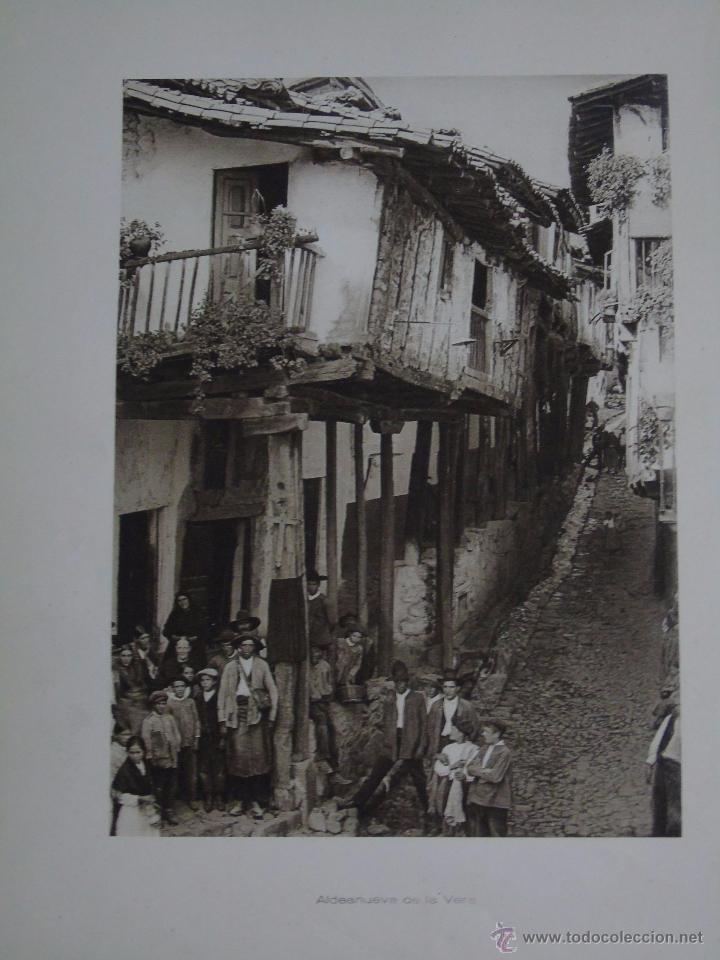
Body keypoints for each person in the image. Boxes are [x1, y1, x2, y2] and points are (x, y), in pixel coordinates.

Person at [337, 661, 429, 824]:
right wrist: (387, 739)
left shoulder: (417, 698)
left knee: (419, 779)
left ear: (407, 682)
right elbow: (386, 722)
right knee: (376, 774)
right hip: (392, 742)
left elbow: (424, 724)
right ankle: (357, 803)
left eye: (403, 682)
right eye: (397, 682)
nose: (400, 685)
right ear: (394, 682)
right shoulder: (390, 699)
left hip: (411, 742)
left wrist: (421, 747)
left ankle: (430, 812)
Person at [218, 633, 278, 820]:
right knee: (238, 760)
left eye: (250, 645)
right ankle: (239, 801)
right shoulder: (230, 667)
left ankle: (256, 802)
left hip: (256, 717)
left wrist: (273, 715)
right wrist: (222, 720)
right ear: (238, 647)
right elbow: (222, 694)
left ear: (255, 647)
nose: (247, 648)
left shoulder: (262, 665)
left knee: (258, 760)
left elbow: (273, 690)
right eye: (243, 645)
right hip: (236, 715)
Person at [427, 715, 480, 836]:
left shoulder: (473, 749)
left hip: (465, 786)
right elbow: (439, 769)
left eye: (453, 729)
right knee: (446, 809)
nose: (450, 731)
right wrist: (452, 766)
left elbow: (474, 767)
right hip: (447, 784)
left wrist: (465, 775)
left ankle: (465, 835)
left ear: (461, 733)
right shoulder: (448, 748)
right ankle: (447, 834)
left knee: (465, 811)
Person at [465, 719, 513, 836]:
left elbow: (495, 776)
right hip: (479, 799)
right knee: (480, 834)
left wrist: (479, 771)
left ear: (496, 734)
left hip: (496, 801)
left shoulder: (505, 752)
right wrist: (485, 771)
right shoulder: (483, 748)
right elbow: (470, 768)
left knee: (497, 834)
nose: (483, 734)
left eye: (486, 732)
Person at [141, 690, 181, 825]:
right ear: (153, 705)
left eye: (164, 703)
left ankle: (169, 810)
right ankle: (159, 811)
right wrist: (151, 756)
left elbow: (176, 735)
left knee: (171, 785)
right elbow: (147, 740)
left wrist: (176, 747)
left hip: (172, 757)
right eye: (159, 704)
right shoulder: (149, 721)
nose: (162, 706)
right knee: (159, 786)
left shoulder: (170, 718)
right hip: (159, 759)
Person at [309, 645, 345, 783]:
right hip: (308, 704)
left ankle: (335, 770)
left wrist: (325, 695)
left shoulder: (325, 666)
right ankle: (322, 758)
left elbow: (328, 687)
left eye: (318, 651)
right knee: (321, 720)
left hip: (320, 701)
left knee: (332, 728)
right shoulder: (305, 667)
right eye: (314, 651)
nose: (316, 654)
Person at [111, 736, 161, 837]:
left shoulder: (147, 765)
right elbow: (119, 796)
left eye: (138, 752)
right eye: (131, 753)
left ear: (144, 751)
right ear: (127, 752)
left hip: (147, 809)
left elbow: (152, 785)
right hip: (131, 811)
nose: (135, 756)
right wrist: (139, 798)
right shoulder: (125, 770)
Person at [647, 702, 681, 836]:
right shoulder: (672, 717)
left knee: (675, 811)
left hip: (677, 767)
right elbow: (659, 738)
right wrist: (650, 762)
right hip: (662, 763)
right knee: (659, 806)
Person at [167, 677, 201, 811]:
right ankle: (174, 801)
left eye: (182, 686)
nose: (179, 689)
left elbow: (196, 720)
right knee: (175, 773)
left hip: (190, 742)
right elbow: (168, 724)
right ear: (173, 688)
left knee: (191, 773)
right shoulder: (169, 704)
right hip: (176, 745)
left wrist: (196, 737)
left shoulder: (190, 702)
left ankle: (192, 798)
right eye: (177, 686)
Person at [194, 668, 226, 812]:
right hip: (203, 738)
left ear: (214, 682)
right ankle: (208, 796)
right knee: (204, 769)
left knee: (219, 769)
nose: (205, 683)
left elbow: (223, 717)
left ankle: (219, 796)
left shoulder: (219, 697)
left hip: (217, 736)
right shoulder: (198, 698)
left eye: (208, 680)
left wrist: (223, 736)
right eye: (202, 680)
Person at [427, 671, 479, 758]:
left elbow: (475, 727)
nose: (448, 690)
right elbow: (430, 728)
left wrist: (466, 744)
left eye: (451, 687)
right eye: (445, 687)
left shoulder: (466, 706)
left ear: (457, 688)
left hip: (458, 743)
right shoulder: (436, 705)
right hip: (440, 741)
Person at [112, 644, 151, 734]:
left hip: (140, 700)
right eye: (123, 656)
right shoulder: (116, 670)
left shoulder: (137, 667)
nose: (126, 658)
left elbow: (144, 684)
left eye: (129, 656)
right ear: (119, 656)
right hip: (125, 703)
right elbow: (117, 692)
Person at [162, 592, 206, 663]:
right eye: (179, 600)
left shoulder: (198, 613)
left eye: (184, 599)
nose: (182, 602)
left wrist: (195, 637)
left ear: (189, 600)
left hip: (194, 645)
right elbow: (166, 631)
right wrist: (176, 638)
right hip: (177, 645)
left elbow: (204, 630)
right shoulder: (175, 614)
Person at [335, 624, 375, 689]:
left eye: (359, 637)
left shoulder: (359, 649)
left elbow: (357, 664)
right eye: (354, 636)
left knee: (344, 687)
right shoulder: (340, 642)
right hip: (337, 668)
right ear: (350, 634)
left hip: (348, 671)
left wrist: (352, 673)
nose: (356, 638)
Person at [306, 570, 333, 651]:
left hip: (321, 640)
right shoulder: (304, 600)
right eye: (309, 584)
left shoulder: (324, 600)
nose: (311, 587)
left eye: (314, 584)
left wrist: (324, 632)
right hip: (307, 638)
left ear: (318, 585)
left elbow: (332, 621)